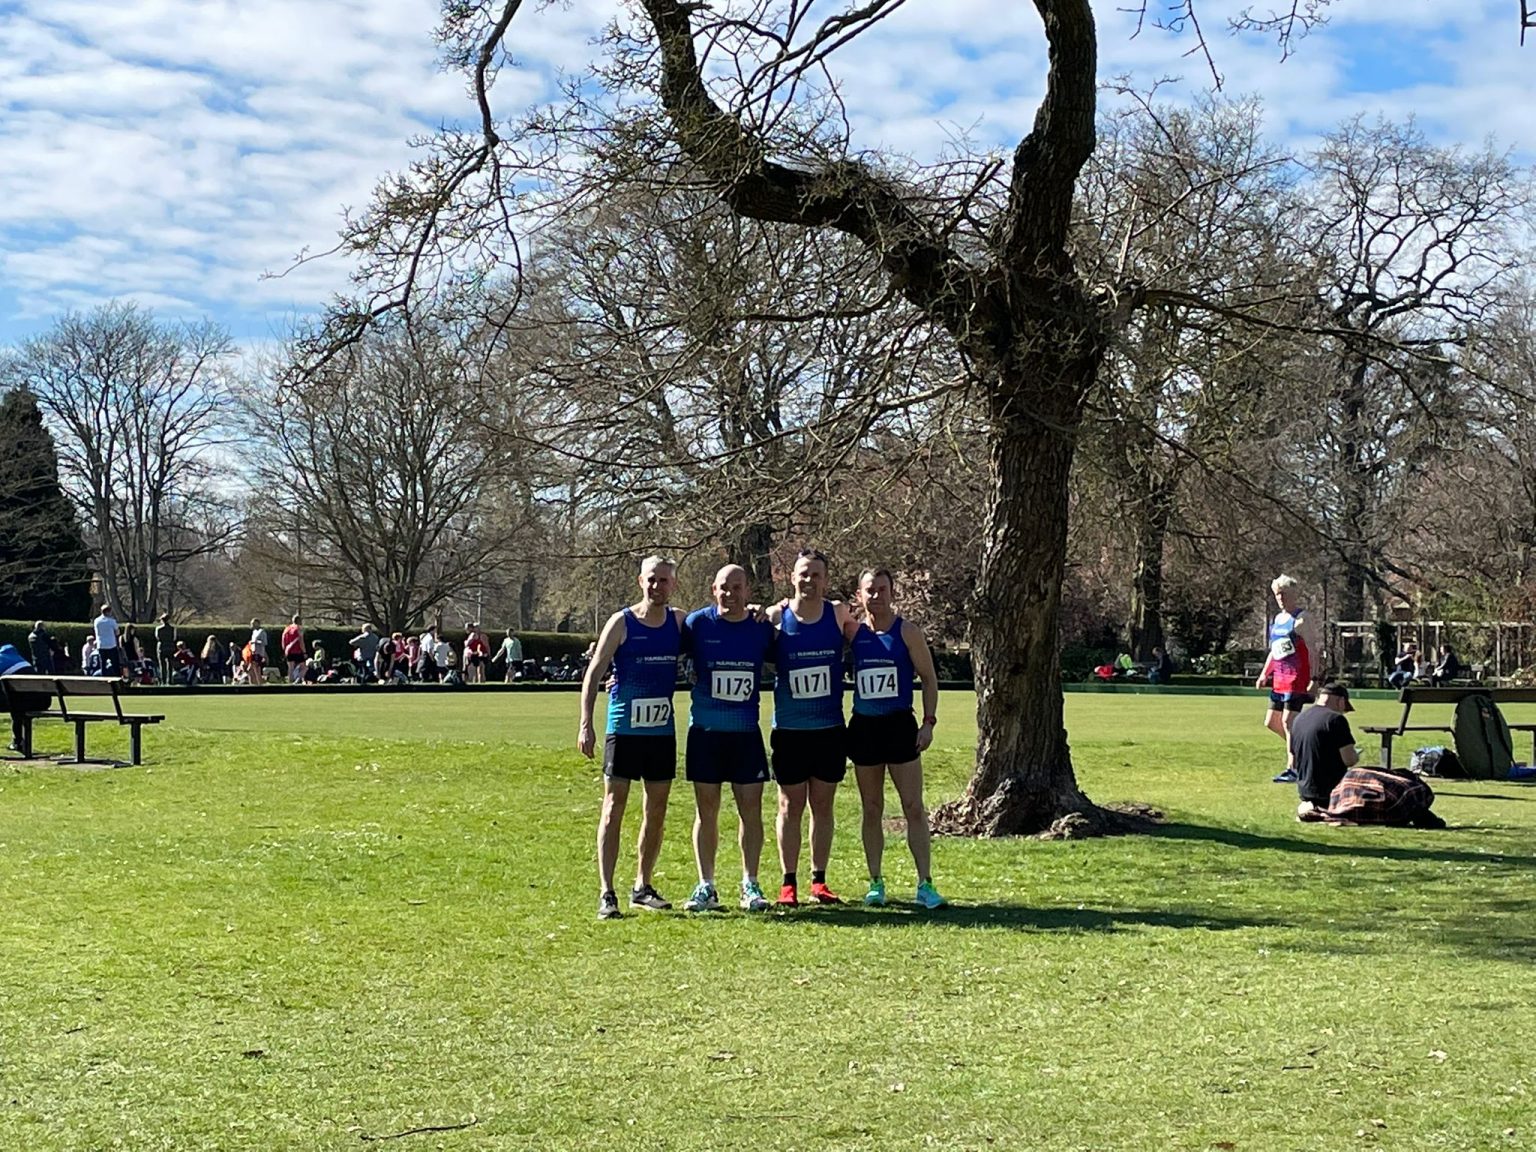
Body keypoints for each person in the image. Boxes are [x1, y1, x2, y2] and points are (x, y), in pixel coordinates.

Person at [579, 555, 685, 921]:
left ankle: (643, 885)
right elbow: (594, 674)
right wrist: (586, 724)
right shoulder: (621, 622)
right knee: (613, 809)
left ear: (673, 584)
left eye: (664, 581)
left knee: (655, 811)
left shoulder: (678, 622)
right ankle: (606, 892)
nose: (657, 586)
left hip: (660, 733)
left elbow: (719, 624)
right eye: (652, 580)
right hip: (623, 730)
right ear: (641, 581)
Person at [679, 564, 777, 913]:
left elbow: (788, 657)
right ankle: (706, 885)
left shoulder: (760, 629)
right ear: (713, 589)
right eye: (724, 587)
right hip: (705, 733)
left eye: (737, 587)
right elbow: (658, 648)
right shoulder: (697, 624)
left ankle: (750, 884)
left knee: (751, 812)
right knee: (707, 811)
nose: (730, 594)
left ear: (747, 591)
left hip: (746, 734)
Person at [848, 568, 947, 910]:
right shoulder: (852, 632)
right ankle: (876, 882)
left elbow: (929, 679)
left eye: (882, 589)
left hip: (900, 727)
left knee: (913, 807)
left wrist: (929, 722)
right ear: (859, 595)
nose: (876, 596)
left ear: (892, 592)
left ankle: (925, 884)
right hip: (864, 728)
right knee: (871, 808)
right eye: (869, 590)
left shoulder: (907, 632)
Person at [767, 548, 855, 907]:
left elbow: (874, 637)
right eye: (803, 574)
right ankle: (788, 883)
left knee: (823, 804)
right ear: (792, 578)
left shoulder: (837, 615)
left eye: (816, 574)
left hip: (829, 729)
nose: (809, 580)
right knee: (790, 805)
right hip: (789, 729)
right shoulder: (777, 616)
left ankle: (819, 881)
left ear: (825, 579)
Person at [1255, 574, 1319, 784]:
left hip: (1296, 677)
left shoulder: (1302, 619)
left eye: (1284, 594)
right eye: (1277, 594)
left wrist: (1314, 677)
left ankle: (1293, 768)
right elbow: (1275, 650)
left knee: (1288, 721)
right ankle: (1309, 750)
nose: (1280, 598)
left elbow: (1312, 650)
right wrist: (1265, 673)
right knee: (1272, 722)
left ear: (1294, 594)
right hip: (1279, 678)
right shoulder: (1278, 619)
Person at [1290, 682, 1360, 821]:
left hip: (1305, 790)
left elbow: (1294, 758)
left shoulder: (1299, 719)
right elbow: (1349, 760)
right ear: (1340, 701)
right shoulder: (1335, 720)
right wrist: (1356, 755)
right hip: (1331, 792)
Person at [1, 643, 49, 754]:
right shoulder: (24, 662)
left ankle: (17, 741)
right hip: (43, 701)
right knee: (17, 703)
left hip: (21, 704)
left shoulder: (2, 662)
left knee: (16, 705)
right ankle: (18, 741)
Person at [92, 604, 121, 678]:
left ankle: (103, 679)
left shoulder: (96, 621)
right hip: (111, 645)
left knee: (103, 664)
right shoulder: (111, 621)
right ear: (109, 612)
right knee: (115, 664)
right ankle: (117, 678)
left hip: (101, 645)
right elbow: (117, 632)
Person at [282, 614, 306, 684]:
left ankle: (290, 682)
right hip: (297, 650)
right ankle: (297, 681)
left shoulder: (287, 629)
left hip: (288, 650)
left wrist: (285, 650)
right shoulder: (299, 628)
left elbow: (283, 640)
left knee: (290, 668)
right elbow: (301, 641)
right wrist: (304, 652)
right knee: (304, 667)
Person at [155, 613, 176, 685]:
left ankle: (163, 680)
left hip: (161, 647)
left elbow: (157, 638)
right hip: (170, 647)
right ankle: (170, 680)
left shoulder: (158, 629)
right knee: (170, 665)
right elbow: (174, 638)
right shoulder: (172, 629)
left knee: (162, 665)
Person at [248, 619, 269, 684]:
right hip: (253, 652)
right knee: (250, 669)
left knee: (257, 669)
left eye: (253, 624)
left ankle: (259, 684)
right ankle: (253, 683)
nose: (252, 625)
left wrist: (255, 642)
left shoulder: (262, 632)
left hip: (259, 653)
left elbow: (265, 643)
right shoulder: (254, 632)